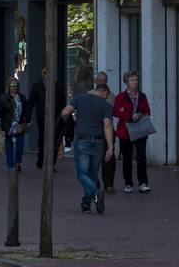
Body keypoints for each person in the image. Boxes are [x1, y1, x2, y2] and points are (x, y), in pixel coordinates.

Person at [61, 83, 114, 214]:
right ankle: (86, 204)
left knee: (82, 174)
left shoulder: (79, 98)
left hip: (83, 140)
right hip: (99, 141)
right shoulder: (106, 105)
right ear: (105, 93)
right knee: (92, 174)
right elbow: (107, 125)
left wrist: (67, 120)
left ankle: (95, 193)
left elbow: (65, 112)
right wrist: (110, 146)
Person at [112, 71, 153, 194]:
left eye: (136, 80)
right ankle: (128, 183)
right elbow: (116, 111)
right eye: (132, 80)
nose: (135, 82)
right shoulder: (120, 97)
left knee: (141, 157)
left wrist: (139, 114)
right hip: (125, 131)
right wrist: (130, 116)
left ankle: (143, 183)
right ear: (127, 82)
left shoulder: (142, 96)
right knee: (127, 158)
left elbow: (147, 111)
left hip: (140, 130)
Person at [0, 77, 30, 171]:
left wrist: (28, 121)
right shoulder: (4, 98)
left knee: (20, 145)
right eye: (12, 85)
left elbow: (26, 111)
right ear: (8, 86)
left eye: (16, 85)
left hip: (20, 125)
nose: (14, 87)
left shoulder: (22, 98)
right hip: (8, 125)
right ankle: (11, 166)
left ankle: (18, 162)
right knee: (9, 145)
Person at [30, 67, 60, 170]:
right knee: (42, 138)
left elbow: (61, 100)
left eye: (49, 73)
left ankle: (51, 163)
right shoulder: (37, 86)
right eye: (45, 73)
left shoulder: (56, 86)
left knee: (54, 139)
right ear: (42, 74)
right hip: (42, 116)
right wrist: (27, 116)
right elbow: (32, 101)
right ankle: (41, 160)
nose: (47, 75)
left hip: (55, 116)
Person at [93, 71, 117, 193]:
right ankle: (95, 182)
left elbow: (109, 110)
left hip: (107, 129)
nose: (103, 83)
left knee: (109, 158)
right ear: (95, 81)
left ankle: (108, 184)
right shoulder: (89, 94)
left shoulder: (111, 95)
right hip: (94, 130)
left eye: (104, 81)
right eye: (100, 80)